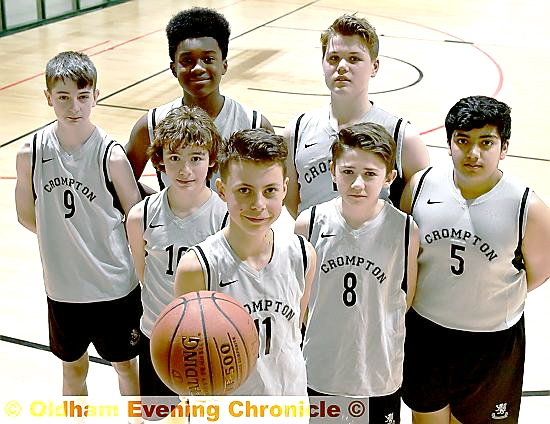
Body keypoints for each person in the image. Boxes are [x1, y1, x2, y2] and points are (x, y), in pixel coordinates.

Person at [399, 95, 550, 424]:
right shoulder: (421, 186)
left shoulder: (528, 207)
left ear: (504, 148)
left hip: (491, 343)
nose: (473, 153)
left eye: (487, 142)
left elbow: (537, 273)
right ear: (449, 143)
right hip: (427, 333)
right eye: (462, 141)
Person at [14, 51, 142, 397]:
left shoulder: (110, 155)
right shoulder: (31, 152)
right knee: (73, 370)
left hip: (114, 287)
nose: (74, 107)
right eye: (63, 97)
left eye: (83, 97)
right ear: (48, 98)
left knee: (127, 368)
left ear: (96, 97)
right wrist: (66, 238)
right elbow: (26, 216)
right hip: (63, 289)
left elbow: (137, 219)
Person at [174, 129, 316, 395]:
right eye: (244, 191)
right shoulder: (198, 267)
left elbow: (294, 329)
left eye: (270, 190)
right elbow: (189, 358)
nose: (258, 204)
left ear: (285, 189)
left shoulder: (302, 253)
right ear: (222, 190)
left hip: (289, 401)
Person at [295, 122, 419, 424]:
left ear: (389, 178)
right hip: (321, 368)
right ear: (333, 172)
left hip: (377, 372)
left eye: (370, 174)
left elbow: (407, 297)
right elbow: (298, 301)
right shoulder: (308, 223)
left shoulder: (404, 229)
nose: (358, 184)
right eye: (348, 172)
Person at [126, 105, 228, 416]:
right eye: (175, 158)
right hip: (157, 337)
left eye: (196, 158)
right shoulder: (141, 216)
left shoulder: (225, 216)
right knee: (158, 418)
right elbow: (144, 274)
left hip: (208, 341)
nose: (185, 170)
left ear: (211, 159)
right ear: (159, 162)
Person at [283, 13, 430, 217]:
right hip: (316, 247)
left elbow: (421, 209)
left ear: (374, 67)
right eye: (334, 58)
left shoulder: (403, 137)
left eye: (354, 59)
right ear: (323, 64)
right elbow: (294, 204)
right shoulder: (295, 132)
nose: (342, 67)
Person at [125, 6, 273, 193]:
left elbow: (272, 190)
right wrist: (156, 205)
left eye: (208, 59)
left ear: (224, 65)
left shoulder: (254, 124)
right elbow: (121, 185)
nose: (198, 68)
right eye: (187, 61)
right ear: (173, 68)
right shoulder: (152, 124)